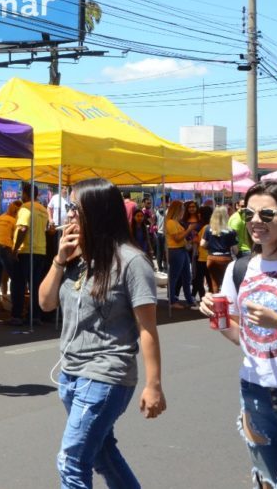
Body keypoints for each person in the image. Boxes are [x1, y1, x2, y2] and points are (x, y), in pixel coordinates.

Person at [39, 178, 165, 488]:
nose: (67, 216)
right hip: (70, 375)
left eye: (74, 209)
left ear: (97, 212)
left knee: (72, 459)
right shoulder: (75, 257)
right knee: (102, 454)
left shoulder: (132, 262)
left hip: (106, 375)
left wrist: (154, 386)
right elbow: (45, 303)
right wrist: (58, 260)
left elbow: (147, 328)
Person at [198, 180, 277, 488]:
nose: (256, 222)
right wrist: (217, 316)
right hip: (256, 390)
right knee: (265, 481)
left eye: (267, 214)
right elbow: (241, 337)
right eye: (249, 214)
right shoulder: (240, 268)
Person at [10, 183, 50, 326]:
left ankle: (17, 316)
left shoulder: (26, 207)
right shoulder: (43, 210)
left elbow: (22, 228)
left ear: (25, 193)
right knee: (35, 285)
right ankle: (35, 316)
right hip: (40, 251)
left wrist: (15, 249)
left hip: (26, 251)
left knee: (19, 285)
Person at [164, 199, 197, 309]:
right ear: (177, 210)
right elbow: (177, 238)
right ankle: (172, 301)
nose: (183, 211)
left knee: (186, 276)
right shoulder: (170, 222)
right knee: (175, 277)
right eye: (182, 209)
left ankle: (188, 299)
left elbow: (180, 238)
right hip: (175, 250)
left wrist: (188, 241)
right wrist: (189, 230)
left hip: (180, 250)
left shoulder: (174, 222)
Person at [0, 201, 22, 311]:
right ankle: (16, 304)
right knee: (15, 277)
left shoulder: (0, 218)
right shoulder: (14, 220)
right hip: (4, 248)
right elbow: (16, 237)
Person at [200, 206, 239, 293]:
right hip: (225, 258)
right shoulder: (231, 231)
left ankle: (216, 303)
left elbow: (202, 244)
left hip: (212, 258)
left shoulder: (208, 229)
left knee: (214, 283)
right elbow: (235, 250)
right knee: (227, 282)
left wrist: (210, 247)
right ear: (226, 216)